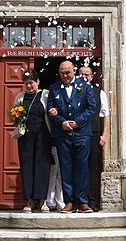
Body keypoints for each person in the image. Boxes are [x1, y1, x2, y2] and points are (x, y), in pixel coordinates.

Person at [47, 61, 97, 213]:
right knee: (66, 168)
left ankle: (82, 202)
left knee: (82, 168)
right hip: (63, 135)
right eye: (62, 73)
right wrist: (61, 122)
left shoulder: (85, 85)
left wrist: (76, 122)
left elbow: (91, 108)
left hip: (82, 134)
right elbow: (50, 109)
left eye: (68, 72)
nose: (65, 76)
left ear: (74, 71)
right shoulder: (54, 87)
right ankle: (68, 202)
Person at [13, 71, 52, 212]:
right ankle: (29, 200)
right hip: (26, 137)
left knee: (42, 167)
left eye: (31, 83)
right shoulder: (20, 97)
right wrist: (17, 118)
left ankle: (42, 200)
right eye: (26, 83)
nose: (29, 86)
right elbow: (14, 117)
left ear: (38, 82)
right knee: (27, 166)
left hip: (43, 135)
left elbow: (51, 111)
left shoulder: (45, 95)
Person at [78, 66, 110, 210]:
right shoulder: (73, 91)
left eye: (87, 75)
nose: (84, 77)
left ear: (91, 77)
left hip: (93, 133)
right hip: (77, 134)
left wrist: (104, 134)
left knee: (92, 168)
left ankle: (92, 201)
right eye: (81, 74)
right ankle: (78, 201)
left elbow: (105, 114)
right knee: (78, 167)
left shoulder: (99, 93)